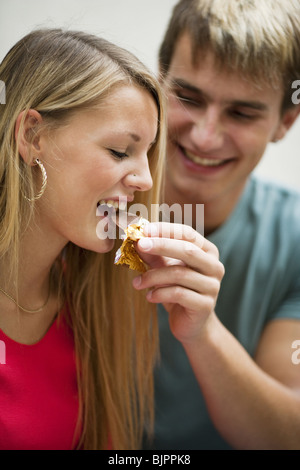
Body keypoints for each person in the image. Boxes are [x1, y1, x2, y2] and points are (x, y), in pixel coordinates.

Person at [140, 0, 300, 450]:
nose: (205, 136)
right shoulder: (88, 204)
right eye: (188, 98)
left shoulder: (293, 236)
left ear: (285, 121)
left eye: (242, 113)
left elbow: (287, 435)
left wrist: (203, 331)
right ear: (158, 81)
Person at [0, 27, 169, 450]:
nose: (145, 180)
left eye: (148, 153)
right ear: (32, 137)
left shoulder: (89, 303)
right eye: (119, 151)